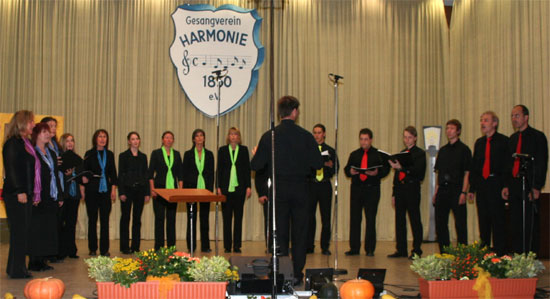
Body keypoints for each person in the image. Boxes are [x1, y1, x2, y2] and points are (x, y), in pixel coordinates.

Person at [251, 95, 323, 286]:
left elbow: (256, 165)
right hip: (301, 190)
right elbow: (317, 163)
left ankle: (282, 273)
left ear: (280, 113)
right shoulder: (306, 136)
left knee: (280, 233)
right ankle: (298, 273)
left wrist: (257, 152)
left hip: (279, 191)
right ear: (295, 112)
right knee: (300, 234)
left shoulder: (270, 136)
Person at [502, 105, 548, 254]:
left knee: (530, 223)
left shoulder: (537, 137)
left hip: (529, 185)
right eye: (512, 116)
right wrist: (506, 185)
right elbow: (509, 165)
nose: (514, 119)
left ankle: (530, 258)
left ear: (526, 117)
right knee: (515, 223)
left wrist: (536, 187)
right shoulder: (512, 139)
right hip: (515, 185)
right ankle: (517, 256)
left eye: (517, 115)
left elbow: (541, 163)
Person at [467, 112, 510, 255]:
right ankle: (484, 251)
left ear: (494, 123)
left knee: (498, 220)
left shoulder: (504, 141)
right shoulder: (479, 143)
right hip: (482, 184)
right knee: (483, 219)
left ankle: (500, 253)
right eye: (481, 120)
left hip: (496, 183)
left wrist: (506, 185)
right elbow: (474, 167)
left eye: (486, 120)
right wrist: (472, 189)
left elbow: (507, 166)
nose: (482, 123)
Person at [344, 128, 390, 257]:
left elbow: (385, 170)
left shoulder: (378, 155)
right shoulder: (354, 154)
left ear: (371, 140)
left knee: (370, 218)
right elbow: (347, 169)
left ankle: (369, 248)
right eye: (361, 139)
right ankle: (354, 248)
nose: (363, 142)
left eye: (366, 139)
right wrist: (351, 172)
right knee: (355, 218)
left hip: (372, 189)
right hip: (357, 189)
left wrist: (376, 173)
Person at [2, 110, 36, 279]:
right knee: (19, 232)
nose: (33, 124)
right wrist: (19, 191)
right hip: (17, 194)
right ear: (23, 123)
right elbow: (11, 169)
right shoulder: (12, 144)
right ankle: (17, 269)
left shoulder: (24, 142)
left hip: (26, 193)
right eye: (31, 121)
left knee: (22, 232)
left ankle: (15, 267)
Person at [28, 123, 63, 271]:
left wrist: (60, 195)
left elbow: (56, 175)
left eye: (48, 132)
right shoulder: (31, 153)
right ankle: (34, 261)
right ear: (36, 135)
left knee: (48, 230)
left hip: (51, 196)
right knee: (37, 230)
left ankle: (43, 260)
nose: (48, 135)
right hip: (38, 197)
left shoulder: (52, 153)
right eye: (44, 132)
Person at [432, 119, 472, 253]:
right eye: (447, 128)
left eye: (452, 128)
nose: (449, 131)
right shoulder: (442, 151)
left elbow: (467, 173)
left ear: (458, 131)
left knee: (460, 224)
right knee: (441, 223)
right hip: (443, 189)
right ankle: (445, 252)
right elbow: (439, 173)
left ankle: (462, 252)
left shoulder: (464, 150)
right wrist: (436, 192)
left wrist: (463, 192)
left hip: (457, 190)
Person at [387, 126, 426, 259]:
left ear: (415, 138)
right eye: (405, 137)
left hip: (412, 188)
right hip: (400, 189)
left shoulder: (420, 153)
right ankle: (401, 249)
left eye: (409, 137)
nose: (407, 140)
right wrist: (393, 193)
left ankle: (416, 250)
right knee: (400, 220)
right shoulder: (402, 153)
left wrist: (402, 168)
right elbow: (397, 176)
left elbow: (419, 173)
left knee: (414, 219)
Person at [82, 129, 117, 256]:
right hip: (92, 190)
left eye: (104, 137)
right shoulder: (89, 153)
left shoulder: (110, 154)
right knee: (92, 219)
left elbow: (113, 174)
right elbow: (84, 173)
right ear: (95, 139)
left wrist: (113, 190)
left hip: (105, 191)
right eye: (100, 136)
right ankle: (92, 248)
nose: (102, 139)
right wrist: (83, 189)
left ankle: (104, 249)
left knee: (104, 220)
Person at [217, 127, 251, 253]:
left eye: (235, 134)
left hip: (240, 188)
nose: (233, 136)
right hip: (226, 188)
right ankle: (227, 245)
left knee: (238, 217)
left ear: (239, 137)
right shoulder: (222, 150)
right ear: (228, 136)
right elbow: (219, 169)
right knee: (226, 218)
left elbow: (247, 169)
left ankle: (237, 245)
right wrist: (218, 186)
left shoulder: (243, 150)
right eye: (231, 134)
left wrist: (248, 186)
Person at [149, 131, 183, 251]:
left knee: (171, 219)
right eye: (166, 138)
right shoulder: (156, 153)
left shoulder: (177, 154)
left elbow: (180, 174)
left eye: (171, 138)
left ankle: (171, 247)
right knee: (159, 218)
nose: (169, 140)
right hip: (159, 190)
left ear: (173, 141)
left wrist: (180, 189)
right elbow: (150, 173)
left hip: (173, 191)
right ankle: (158, 247)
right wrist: (152, 189)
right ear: (162, 140)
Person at [306, 124, 337, 256]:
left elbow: (336, 167)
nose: (317, 135)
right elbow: (305, 167)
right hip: (312, 185)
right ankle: (309, 245)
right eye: (315, 133)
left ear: (324, 134)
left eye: (319, 133)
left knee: (326, 217)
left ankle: (325, 246)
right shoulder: (309, 149)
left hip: (324, 185)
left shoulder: (330, 150)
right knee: (309, 217)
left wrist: (329, 166)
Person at [183, 129, 214, 253]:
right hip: (191, 189)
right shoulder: (188, 154)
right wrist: (185, 191)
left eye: (202, 135)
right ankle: (191, 245)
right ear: (193, 139)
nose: (200, 138)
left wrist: (210, 191)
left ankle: (205, 246)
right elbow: (184, 174)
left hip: (205, 190)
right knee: (191, 218)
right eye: (197, 136)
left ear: (204, 139)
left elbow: (212, 173)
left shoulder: (210, 154)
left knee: (204, 218)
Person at [119, 132, 150, 254]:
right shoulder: (123, 156)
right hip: (127, 190)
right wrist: (121, 192)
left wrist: (147, 192)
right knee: (125, 218)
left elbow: (146, 175)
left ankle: (135, 246)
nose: (135, 141)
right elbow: (120, 175)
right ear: (129, 141)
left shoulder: (143, 157)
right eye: (133, 139)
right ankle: (124, 246)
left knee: (137, 219)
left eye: (137, 139)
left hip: (140, 191)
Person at [58, 133, 85, 259]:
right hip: (64, 194)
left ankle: (71, 249)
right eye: (67, 141)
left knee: (72, 222)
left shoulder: (78, 158)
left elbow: (80, 176)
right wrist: (67, 175)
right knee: (62, 222)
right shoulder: (59, 158)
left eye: (72, 141)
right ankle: (61, 250)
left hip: (74, 194)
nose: (70, 143)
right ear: (63, 143)